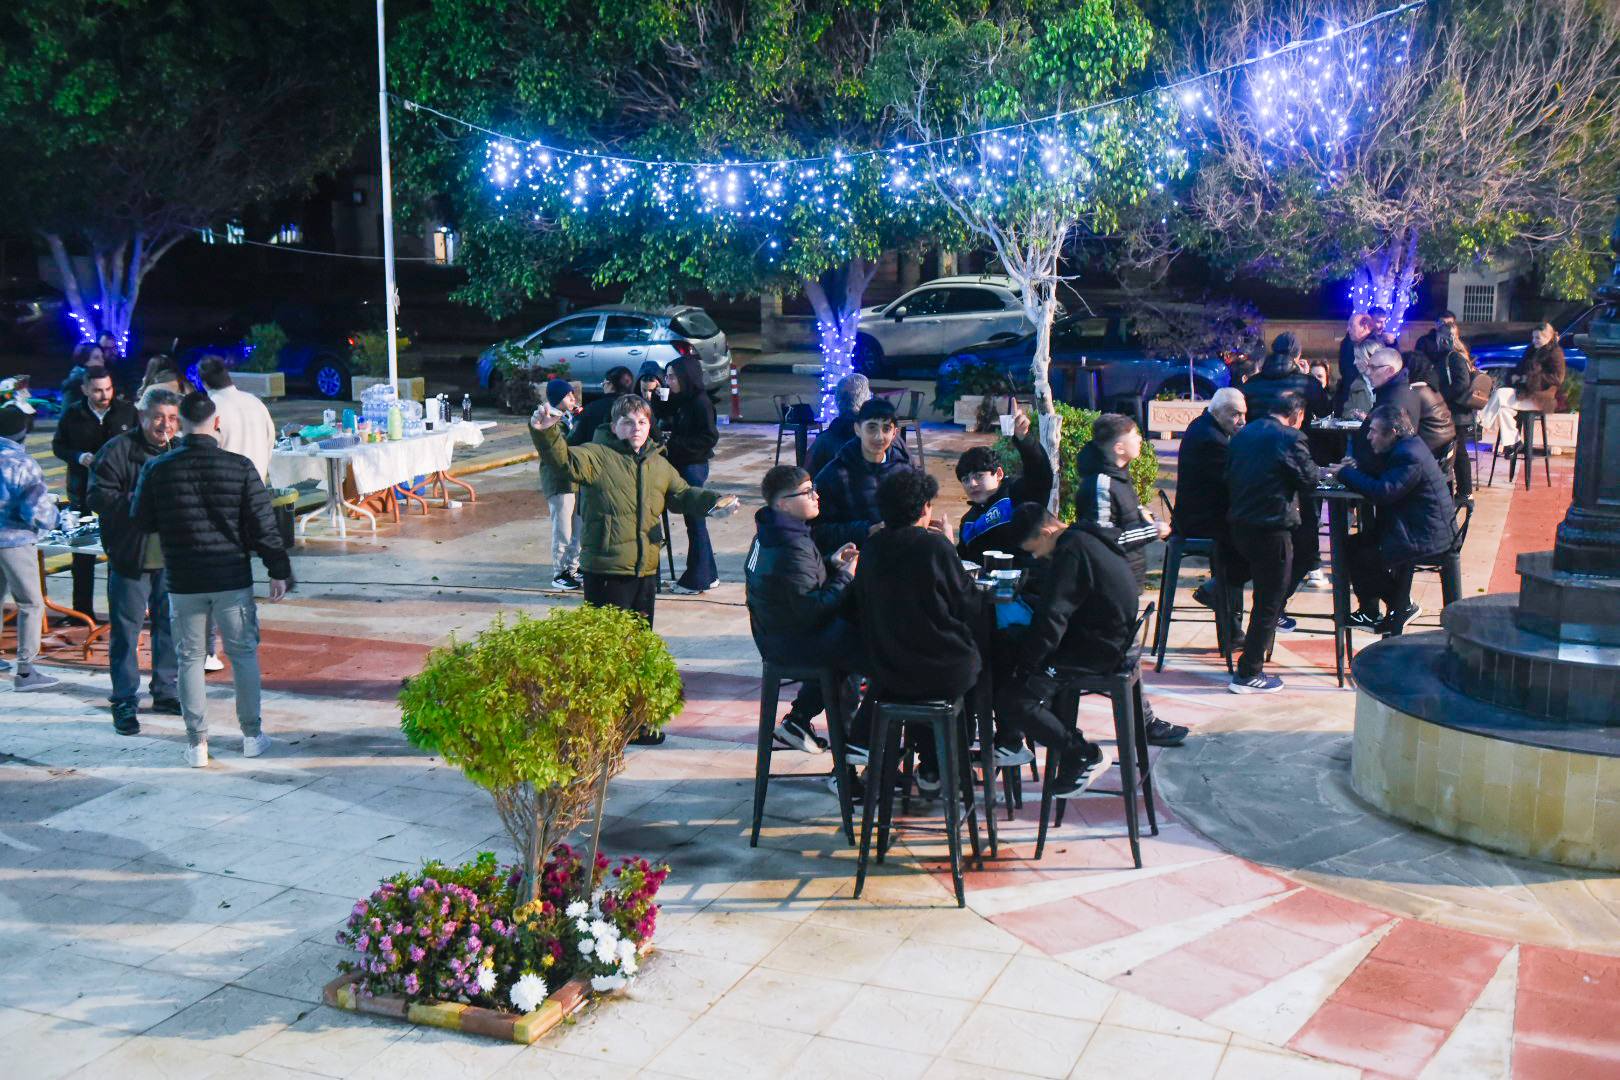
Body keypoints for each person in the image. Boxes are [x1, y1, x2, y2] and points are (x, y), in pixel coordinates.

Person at [131, 393, 292, 766]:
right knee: (243, 654)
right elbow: (263, 524)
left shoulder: (158, 469)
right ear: (216, 423)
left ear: (179, 423)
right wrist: (278, 569)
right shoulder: (239, 467)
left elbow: (142, 520)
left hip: (183, 579)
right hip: (231, 577)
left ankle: (197, 744)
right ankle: (251, 735)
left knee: (189, 658)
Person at [530, 394, 736, 621]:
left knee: (641, 638)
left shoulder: (657, 463)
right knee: (609, 639)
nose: (636, 428)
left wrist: (713, 503)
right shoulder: (596, 456)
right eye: (627, 422)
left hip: (646, 570)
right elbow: (564, 461)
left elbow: (682, 494)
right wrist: (546, 433)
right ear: (614, 427)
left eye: (642, 422)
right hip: (606, 571)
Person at [845, 469, 978, 792]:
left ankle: (926, 763)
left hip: (887, 667)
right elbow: (966, 603)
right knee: (972, 667)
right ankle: (944, 765)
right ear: (923, 508)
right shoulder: (935, 547)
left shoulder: (873, 547)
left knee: (914, 679)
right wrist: (950, 546)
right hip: (941, 669)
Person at [998, 503, 1133, 797]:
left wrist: (1027, 664)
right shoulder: (1085, 537)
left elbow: (1053, 617)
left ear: (1047, 532)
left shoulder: (1069, 552)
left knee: (1015, 699)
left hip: (1097, 647)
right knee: (1018, 654)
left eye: (1035, 550)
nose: (1036, 557)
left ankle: (1082, 754)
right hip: (1110, 635)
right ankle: (1060, 741)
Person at [1072, 414, 1189, 746]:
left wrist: (1142, 518)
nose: (1141, 441)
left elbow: (1123, 522)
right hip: (1109, 587)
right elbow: (1104, 540)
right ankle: (1142, 725)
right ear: (1119, 447)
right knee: (1126, 660)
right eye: (1135, 436)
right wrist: (1152, 531)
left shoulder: (1118, 478)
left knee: (1129, 659)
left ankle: (1143, 723)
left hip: (1125, 582)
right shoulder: (1100, 483)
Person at [744, 465, 863, 755]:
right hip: (791, 643)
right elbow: (813, 608)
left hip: (773, 634)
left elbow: (793, 583)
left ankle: (801, 719)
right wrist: (846, 576)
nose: (816, 496)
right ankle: (852, 747)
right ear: (783, 504)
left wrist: (830, 563)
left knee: (852, 638)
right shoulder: (791, 544)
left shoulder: (769, 533)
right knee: (864, 645)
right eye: (807, 492)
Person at [89, 386, 182, 733]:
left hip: (171, 559)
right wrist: (140, 499)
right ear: (142, 416)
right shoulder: (116, 450)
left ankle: (166, 691)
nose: (165, 425)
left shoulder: (179, 450)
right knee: (126, 634)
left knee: (169, 627)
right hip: (131, 557)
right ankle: (125, 700)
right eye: (158, 417)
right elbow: (97, 497)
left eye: (172, 418)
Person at [1329, 404, 1457, 636]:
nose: (1369, 436)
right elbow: (1388, 478)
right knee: (1355, 546)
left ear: (1393, 433)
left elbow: (1384, 492)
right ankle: (1383, 608)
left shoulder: (1409, 455)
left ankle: (1399, 604)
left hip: (1426, 535)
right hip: (1416, 526)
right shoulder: (1407, 446)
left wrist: (1345, 473)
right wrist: (1358, 469)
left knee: (1363, 554)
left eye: (1374, 431)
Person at [1224, 390, 1321, 693]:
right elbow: (1308, 479)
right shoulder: (1290, 437)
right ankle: (1249, 672)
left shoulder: (1244, 433)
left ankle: (1214, 590)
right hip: (1271, 526)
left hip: (1240, 524)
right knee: (1269, 602)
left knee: (1263, 595)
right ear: (1296, 415)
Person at [51, 364, 137, 618]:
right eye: (98, 390)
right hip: (82, 492)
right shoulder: (72, 414)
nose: (104, 395)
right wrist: (79, 457)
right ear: (85, 389)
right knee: (82, 555)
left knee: (116, 555)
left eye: (108, 389)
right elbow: (58, 446)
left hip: (118, 495)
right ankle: (81, 612)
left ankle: (117, 613)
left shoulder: (127, 412)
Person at [1172, 388, 1247, 633]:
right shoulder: (1211, 439)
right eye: (1236, 415)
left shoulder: (1204, 425)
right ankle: (1219, 599)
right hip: (1199, 522)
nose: (1242, 421)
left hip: (1198, 515)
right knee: (1257, 542)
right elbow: (1233, 481)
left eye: (1244, 414)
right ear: (1219, 412)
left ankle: (1230, 621)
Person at [0, 406, 60, 691]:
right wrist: (55, 518)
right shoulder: (21, 463)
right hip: (15, 541)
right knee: (31, 603)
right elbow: (34, 509)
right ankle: (25, 671)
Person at [811, 397, 914, 554]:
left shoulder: (904, 468)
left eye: (886, 429)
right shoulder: (834, 475)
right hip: (857, 559)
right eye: (871, 428)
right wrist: (865, 531)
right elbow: (816, 531)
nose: (879, 437)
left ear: (895, 433)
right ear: (857, 429)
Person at [954, 408, 1052, 564]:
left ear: (998, 473)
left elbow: (1040, 476)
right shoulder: (968, 522)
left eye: (979, 476)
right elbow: (964, 563)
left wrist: (1024, 439)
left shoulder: (1016, 494)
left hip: (1026, 576)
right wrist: (946, 543)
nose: (972, 484)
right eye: (965, 479)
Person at [662, 355, 721, 594]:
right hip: (684, 463)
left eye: (672, 377)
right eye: (667, 377)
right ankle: (708, 573)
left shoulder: (700, 402)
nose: (669, 382)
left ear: (685, 377)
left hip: (693, 466)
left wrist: (675, 444)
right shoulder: (683, 399)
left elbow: (709, 436)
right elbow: (663, 411)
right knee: (695, 523)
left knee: (696, 522)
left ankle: (698, 578)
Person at [1350, 348, 1453, 466]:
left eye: (1373, 367)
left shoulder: (1401, 395)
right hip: (1430, 450)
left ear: (1390, 370)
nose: (1368, 372)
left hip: (1426, 454)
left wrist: (1356, 468)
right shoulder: (1395, 390)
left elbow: (1390, 445)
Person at [528, 378, 584, 590]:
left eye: (573, 394)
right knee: (563, 529)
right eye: (568, 395)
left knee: (578, 526)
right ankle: (559, 572)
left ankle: (574, 567)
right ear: (558, 398)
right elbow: (549, 443)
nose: (573, 398)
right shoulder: (548, 419)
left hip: (576, 479)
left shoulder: (571, 417)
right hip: (559, 482)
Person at [1479, 322, 1566, 449]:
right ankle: (1514, 443)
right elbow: (1520, 368)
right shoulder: (1531, 349)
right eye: (1533, 337)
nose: (1534, 340)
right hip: (1525, 393)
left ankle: (1480, 423)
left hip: (1541, 397)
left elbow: (1557, 379)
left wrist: (1529, 379)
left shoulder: (1555, 353)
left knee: (1500, 394)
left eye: (1538, 338)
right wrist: (1515, 376)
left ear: (1548, 337)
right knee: (1503, 409)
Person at [198, 356, 276, 483]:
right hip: (257, 484)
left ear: (204, 382)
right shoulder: (255, 402)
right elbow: (270, 440)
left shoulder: (210, 409)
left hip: (225, 487)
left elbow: (204, 453)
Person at [1428, 323, 1482, 499]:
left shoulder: (1454, 358)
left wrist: (1440, 396)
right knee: (1456, 453)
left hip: (1457, 413)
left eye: (1438, 339)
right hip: (1456, 413)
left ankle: (1464, 492)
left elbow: (1461, 384)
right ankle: (1462, 492)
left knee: (1457, 453)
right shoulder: (1452, 357)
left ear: (1443, 339)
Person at [1243, 333, 1329, 424]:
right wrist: (1306, 376)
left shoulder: (1251, 382)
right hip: (1296, 432)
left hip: (1256, 432)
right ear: (1298, 356)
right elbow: (1323, 413)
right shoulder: (1309, 384)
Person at [807, 373, 873, 479]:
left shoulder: (824, 441)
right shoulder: (885, 437)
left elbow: (806, 478)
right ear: (867, 399)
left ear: (837, 402)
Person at [571, 366, 634, 447]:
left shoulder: (591, 408)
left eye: (603, 384)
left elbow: (576, 440)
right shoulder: (640, 408)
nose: (603, 387)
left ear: (610, 384)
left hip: (595, 452)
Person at [1338, 313, 1375, 382]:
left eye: (1351, 325)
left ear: (1365, 327)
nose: (1348, 329)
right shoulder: (1347, 344)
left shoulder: (1375, 347)